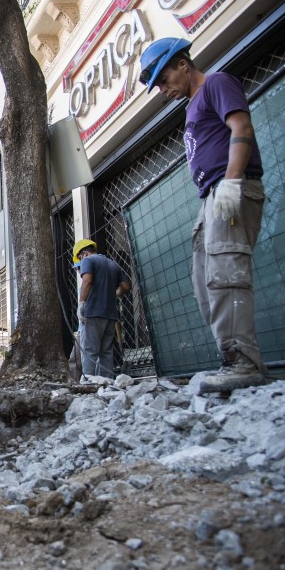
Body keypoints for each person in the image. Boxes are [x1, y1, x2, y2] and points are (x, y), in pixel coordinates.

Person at [139, 37, 267, 393]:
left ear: (182, 63)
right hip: (210, 196)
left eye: (163, 79)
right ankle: (231, 358)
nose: (163, 89)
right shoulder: (191, 106)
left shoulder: (217, 84)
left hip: (230, 189)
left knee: (227, 273)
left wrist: (231, 182)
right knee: (203, 280)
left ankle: (244, 362)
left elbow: (241, 128)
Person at [74, 239, 131, 379]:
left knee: (89, 351)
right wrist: (114, 293)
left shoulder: (88, 260)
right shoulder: (113, 264)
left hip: (92, 313)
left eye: (80, 260)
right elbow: (125, 287)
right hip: (110, 315)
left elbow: (87, 280)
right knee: (106, 352)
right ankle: (107, 383)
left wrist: (81, 304)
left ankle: (89, 383)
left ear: (84, 254)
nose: (81, 264)